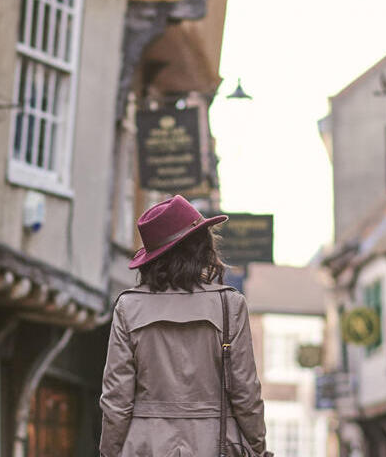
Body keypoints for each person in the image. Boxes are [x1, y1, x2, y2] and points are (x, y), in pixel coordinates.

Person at [99, 195, 271, 457]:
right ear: (201, 247)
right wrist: (258, 447)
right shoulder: (229, 305)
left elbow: (116, 400)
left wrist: (108, 452)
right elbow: (246, 394)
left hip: (144, 446)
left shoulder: (129, 307)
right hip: (215, 445)